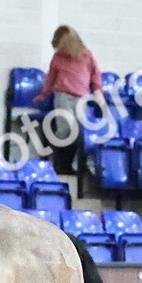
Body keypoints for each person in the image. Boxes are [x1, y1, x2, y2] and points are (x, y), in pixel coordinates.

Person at [34, 25, 103, 175]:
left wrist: (98, 90)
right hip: (63, 96)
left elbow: (95, 74)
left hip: (81, 98)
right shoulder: (58, 57)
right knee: (65, 128)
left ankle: (71, 164)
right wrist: (44, 93)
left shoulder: (86, 55)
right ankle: (58, 163)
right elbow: (51, 77)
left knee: (79, 132)